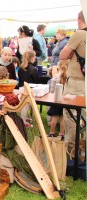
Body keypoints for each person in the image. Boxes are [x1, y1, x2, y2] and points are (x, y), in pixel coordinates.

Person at [60, 10, 86, 145]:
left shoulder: (80, 34)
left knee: (71, 116)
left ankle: (72, 152)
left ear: (79, 19)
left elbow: (62, 55)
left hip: (77, 82)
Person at [47, 61, 67, 138]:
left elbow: (52, 90)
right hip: (65, 100)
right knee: (63, 117)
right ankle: (61, 134)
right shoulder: (68, 76)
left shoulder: (55, 77)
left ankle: (52, 132)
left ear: (58, 67)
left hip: (56, 99)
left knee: (54, 116)